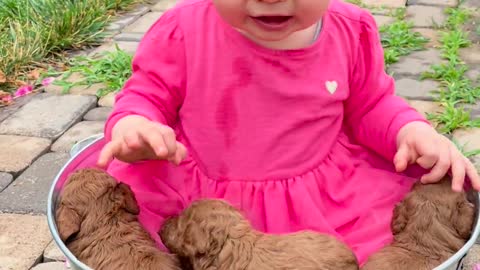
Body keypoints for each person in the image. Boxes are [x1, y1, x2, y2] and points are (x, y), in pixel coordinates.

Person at [97, 0, 480, 265]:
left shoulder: (350, 30)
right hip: (198, 196)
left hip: (322, 199)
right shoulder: (184, 30)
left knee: (368, 250)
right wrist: (136, 127)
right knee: (143, 245)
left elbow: (370, 105)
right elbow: (146, 95)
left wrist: (408, 129)